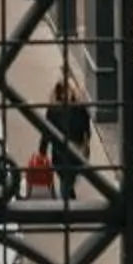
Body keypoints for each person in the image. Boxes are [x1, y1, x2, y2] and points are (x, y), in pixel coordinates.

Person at [48, 72, 92, 202]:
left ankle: (67, 191)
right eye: (62, 91)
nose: (64, 94)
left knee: (70, 175)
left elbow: (86, 128)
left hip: (76, 147)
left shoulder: (80, 108)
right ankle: (67, 195)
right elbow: (47, 130)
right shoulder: (54, 109)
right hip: (60, 150)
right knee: (65, 175)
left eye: (67, 91)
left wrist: (86, 142)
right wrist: (42, 150)